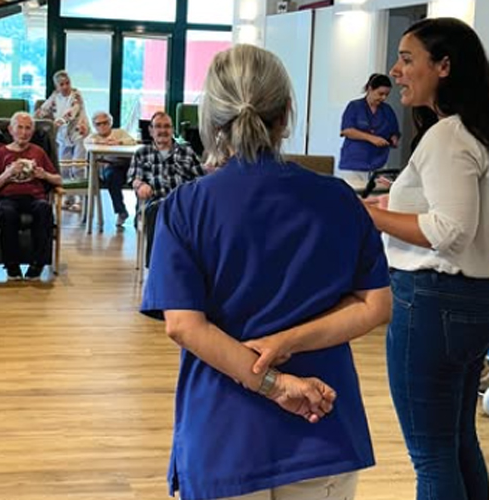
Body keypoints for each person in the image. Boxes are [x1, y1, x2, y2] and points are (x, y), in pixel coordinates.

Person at [141, 44, 392, 500]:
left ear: (212, 120)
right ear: (286, 113)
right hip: (323, 422)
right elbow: (374, 305)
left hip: (223, 430)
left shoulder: (185, 207)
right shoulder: (338, 199)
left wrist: (273, 381)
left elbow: (183, 326)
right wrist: (287, 344)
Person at [363, 18, 489, 500]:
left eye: (407, 59)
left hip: (432, 305)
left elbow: (449, 232)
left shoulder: (447, 136)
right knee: (457, 443)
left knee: (433, 458)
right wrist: (391, 206)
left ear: (445, 66)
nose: (396, 70)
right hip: (468, 303)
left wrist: (368, 216)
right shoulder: (473, 132)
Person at [0, 112, 62, 281]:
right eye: (19, 127)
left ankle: (38, 264)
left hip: (34, 197)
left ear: (33, 132)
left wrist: (45, 176)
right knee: (8, 213)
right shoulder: (0, 153)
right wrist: (8, 173)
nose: (24, 132)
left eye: (28, 128)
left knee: (44, 208)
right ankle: (11, 265)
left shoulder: (38, 152)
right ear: (11, 130)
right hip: (7, 198)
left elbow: (58, 179)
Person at [129, 111, 204, 259]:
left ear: (172, 130)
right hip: (154, 203)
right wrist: (140, 186)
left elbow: (200, 179)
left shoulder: (187, 152)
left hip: (183, 204)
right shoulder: (141, 153)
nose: (163, 130)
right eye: (158, 126)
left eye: (167, 126)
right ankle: (154, 266)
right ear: (151, 130)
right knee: (158, 211)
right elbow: (134, 178)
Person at [36, 70, 90, 212]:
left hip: (78, 133)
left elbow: (73, 111)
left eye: (67, 83)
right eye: (62, 84)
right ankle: (69, 198)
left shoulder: (76, 95)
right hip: (62, 137)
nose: (65, 87)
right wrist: (37, 115)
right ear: (57, 87)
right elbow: (43, 109)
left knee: (77, 167)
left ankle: (81, 201)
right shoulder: (55, 96)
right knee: (63, 169)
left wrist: (60, 120)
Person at [338, 74, 401, 184]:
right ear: (370, 89)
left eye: (386, 95)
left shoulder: (387, 110)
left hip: (378, 164)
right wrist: (372, 138)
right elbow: (347, 131)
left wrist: (394, 139)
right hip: (354, 164)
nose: (383, 98)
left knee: (375, 198)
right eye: (380, 94)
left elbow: (394, 132)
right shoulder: (354, 107)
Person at [85, 111, 137, 227]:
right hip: (110, 168)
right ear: (94, 126)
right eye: (98, 124)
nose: (102, 126)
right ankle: (121, 211)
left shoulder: (119, 132)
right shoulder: (94, 136)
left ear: (110, 123)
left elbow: (132, 141)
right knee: (112, 177)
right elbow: (87, 141)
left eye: (105, 123)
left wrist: (119, 142)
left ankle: (140, 214)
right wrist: (100, 142)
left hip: (126, 166)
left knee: (141, 176)